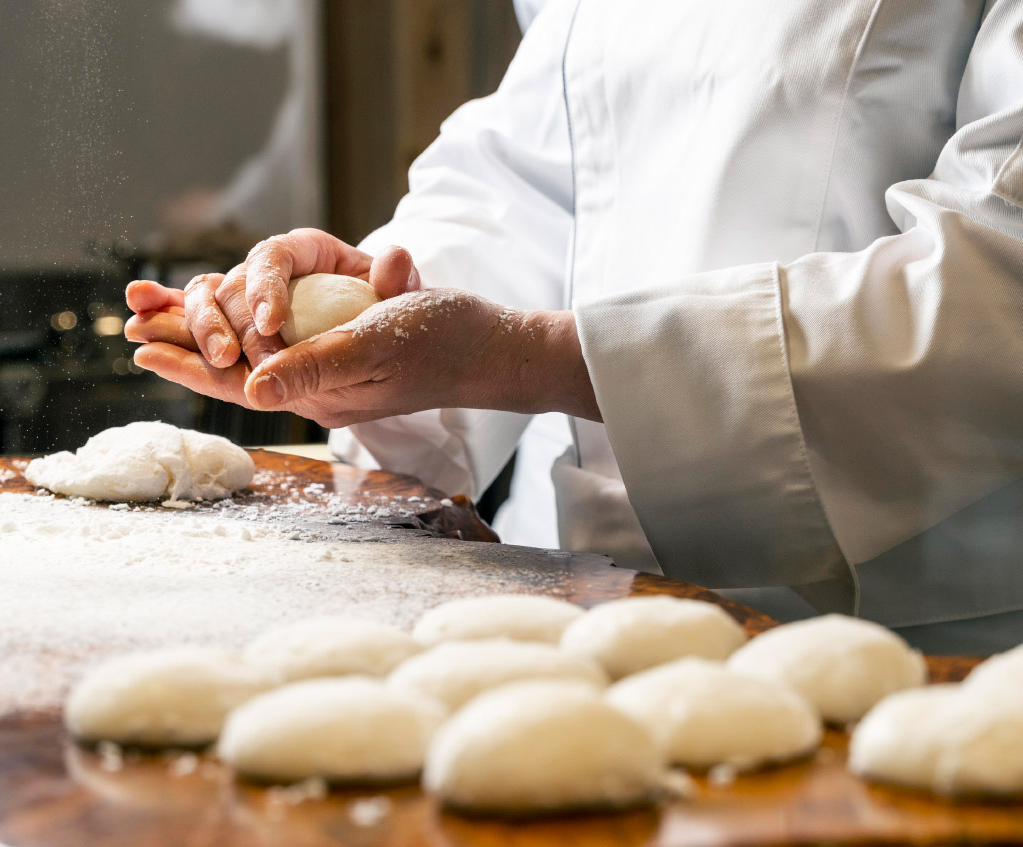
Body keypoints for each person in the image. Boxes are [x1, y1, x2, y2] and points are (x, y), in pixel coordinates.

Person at [126, 0, 1023, 654]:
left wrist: (521, 357)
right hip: (580, 604)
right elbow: (532, 172)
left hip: (909, 640)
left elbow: (997, 273)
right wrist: (372, 306)